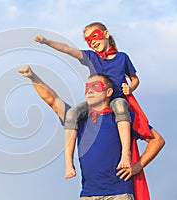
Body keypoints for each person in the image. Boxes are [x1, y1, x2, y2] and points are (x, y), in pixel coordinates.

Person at [18, 65, 165, 200]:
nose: (90, 91)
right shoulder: (79, 119)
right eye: (87, 88)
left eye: (96, 86)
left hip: (119, 194)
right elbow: (52, 99)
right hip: (88, 194)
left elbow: (157, 140)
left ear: (109, 92)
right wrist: (33, 77)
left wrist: (137, 166)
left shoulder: (123, 118)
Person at [34, 22, 140, 173]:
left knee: (121, 107)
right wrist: (46, 41)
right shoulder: (91, 57)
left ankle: (125, 154)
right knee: (72, 113)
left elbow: (135, 79)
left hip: (115, 98)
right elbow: (68, 49)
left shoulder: (122, 57)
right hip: (96, 102)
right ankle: (68, 163)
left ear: (106, 34)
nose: (93, 42)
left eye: (94, 36)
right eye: (88, 41)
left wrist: (130, 88)